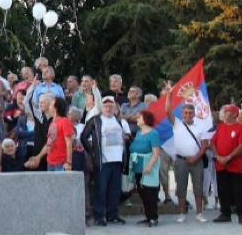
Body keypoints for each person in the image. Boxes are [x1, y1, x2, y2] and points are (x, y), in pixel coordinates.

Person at [163, 81, 208, 223]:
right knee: (181, 187)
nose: (188, 115)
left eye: (190, 112)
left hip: (197, 160)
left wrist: (196, 157)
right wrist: (169, 95)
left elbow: (204, 145)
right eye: (185, 112)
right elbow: (167, 111)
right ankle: (182, 213)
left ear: (194, 114)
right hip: (181, 160)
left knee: (198, 187)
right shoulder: (177, 124)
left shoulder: (200, 126)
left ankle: (199, 214)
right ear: (181, 113)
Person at [80, 96, 128, 226]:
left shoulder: (119, 121)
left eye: (110, 106)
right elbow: (84, 136)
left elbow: (126, 138)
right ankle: (99, 216)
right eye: (105, 106)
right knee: (100, 189)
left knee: (115, 189)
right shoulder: (96, 120)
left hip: (117, 161)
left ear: (115, 107)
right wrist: (92, 151)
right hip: (102, 162)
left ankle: (112, 214)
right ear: (101, 107)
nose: (108, 108)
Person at [209, 104, 242, 225]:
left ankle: (241, 215)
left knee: (238, 190)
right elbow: (213, 143)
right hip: (221, 164)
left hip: (235, 165)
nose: (224, 114)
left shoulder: (241, 127)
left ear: (233, 114)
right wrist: (217, 156)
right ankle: (225, 213)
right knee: (223, 190)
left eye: (226, 112)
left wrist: (229, 157)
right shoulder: (220, 127)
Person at [129, 110, 161, 227]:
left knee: (150, 192)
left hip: (147, 166)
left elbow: (156, 153)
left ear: (145, 119)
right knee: (142, 192)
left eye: (139, 117)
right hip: (138, 166)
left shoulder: (153, 133)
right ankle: (148, 216)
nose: (137, 119)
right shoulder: (138, 133)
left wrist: (149, 166)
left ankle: (153, 217)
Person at [26, 97, 72, 172]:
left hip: (61, 162)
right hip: (50, 162)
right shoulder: (52, 123)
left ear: (56, 108)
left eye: (51, 104)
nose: (49, 106)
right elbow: (49, 143)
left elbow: (69, 142)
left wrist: (69, 162)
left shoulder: (65, 121)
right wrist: (38, 157)